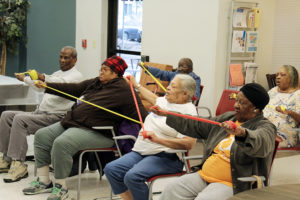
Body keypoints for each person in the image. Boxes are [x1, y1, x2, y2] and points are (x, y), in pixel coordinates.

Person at [22, 55, 147, 200]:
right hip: (74, 122)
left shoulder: (125, 90)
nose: (101, 72)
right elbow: (74, 88)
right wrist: (46, 85)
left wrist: (152, 123)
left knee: (62, 143)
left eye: (105, 70)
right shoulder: (96, 82)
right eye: (101, 69)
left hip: (100, 132)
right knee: (41, 135)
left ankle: (61, 188)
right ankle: (44, 181)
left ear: (115, 73)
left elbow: (140, 114)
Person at [151, 83, 277, 200]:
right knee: (171, 190)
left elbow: (260, 141)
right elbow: (198, 124)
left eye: (242, 103)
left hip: (233, 183)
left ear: (255, 108)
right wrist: (167, 114)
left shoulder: (266, 127)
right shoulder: (228, 117)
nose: (236, 105)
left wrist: (242, 133)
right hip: (204, 175)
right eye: (236, 100)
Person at [104, 74, 198, 200]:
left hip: (166, 156)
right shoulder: (165, 100)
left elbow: (189, 143)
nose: (168, 88)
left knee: (132, 176)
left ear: (185, 94)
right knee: (111, 169)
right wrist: (135, 84)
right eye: (169, 84)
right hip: (141, 152)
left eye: (173, 87)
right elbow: (153, 98)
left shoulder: (189, 112)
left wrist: (158, 140)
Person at [0, 46, 83, 183]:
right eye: (61, 57)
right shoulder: (57, 73)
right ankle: (6, 159)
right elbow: (40, 87)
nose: (62, 60)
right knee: (6, 115)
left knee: (20, 119)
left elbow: (55, 84)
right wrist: (25, 79)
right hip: (41, 113)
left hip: (57, 116)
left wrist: (41, 76)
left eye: (66, 57)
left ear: (75, 60)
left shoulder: (76, 76)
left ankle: (19, 164)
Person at [264, 65, 300, 148]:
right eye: (277, 75)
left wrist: (289, 112)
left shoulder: (297, 95)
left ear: (291, 78)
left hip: (282, 134)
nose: (278, 77)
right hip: (262, 127)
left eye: (282, 75)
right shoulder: (273, 90)